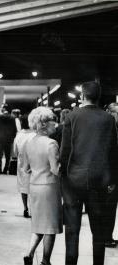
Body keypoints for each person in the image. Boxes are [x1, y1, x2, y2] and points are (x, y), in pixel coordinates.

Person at [60, 81, 118, 265]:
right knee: (98, 230)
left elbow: (65, 151)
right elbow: (113, 151)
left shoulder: (71, 116)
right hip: (99, 181)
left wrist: (63, 175)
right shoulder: (108, 119)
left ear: (82, 96)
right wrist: (112, 179)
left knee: (72, 229)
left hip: (73, 181)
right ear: (98, 97)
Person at [23, 107, 62, 265]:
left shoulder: (29, 142)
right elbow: (55, 170)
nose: (56, 124)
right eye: (53, 121)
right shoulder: (51, 143)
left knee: (39, 224)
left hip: (35, 186)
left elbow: (25, 168)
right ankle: (46, 260)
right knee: (50, 227)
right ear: (44, 124)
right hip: (49, 188)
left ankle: (29, 253)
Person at [13, 115, 36, 218]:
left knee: (23, 187)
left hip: (22, 163)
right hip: (34, 163)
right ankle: (34, 209)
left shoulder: (19, 135)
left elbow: (15, 151)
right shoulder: (35, 135)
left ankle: (25, 208)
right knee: (34, 187)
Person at [103, 102, 118, 248]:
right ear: (109, 112)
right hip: (109, 176)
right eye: (116, 113)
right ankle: (106, 237)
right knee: (109, 207)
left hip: (114, 174)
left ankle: (108, 235)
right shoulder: (106, 130)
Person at [0, 104, 17, 174]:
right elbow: (14, 129)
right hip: (9, 140)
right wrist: (12, 138)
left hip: (0, 139)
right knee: (8, 155)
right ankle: (5, 169)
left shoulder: (0, 117)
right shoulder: (12, 118)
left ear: (4, 109)